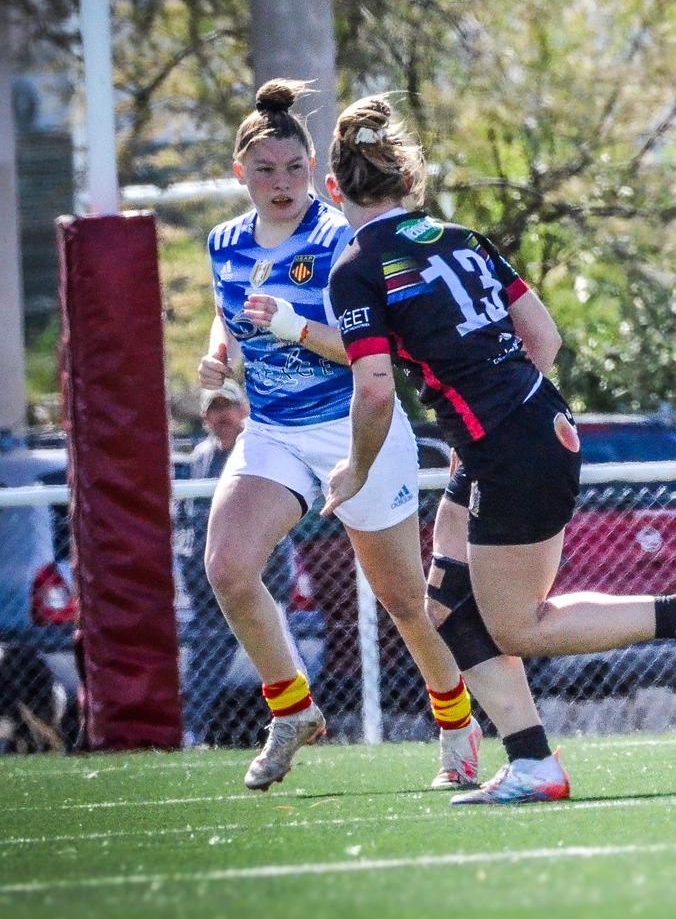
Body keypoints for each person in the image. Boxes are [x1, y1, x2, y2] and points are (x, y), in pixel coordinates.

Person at [322, 94, 676, 804]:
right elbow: (543, 341)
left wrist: (359, 467)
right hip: (526, 424)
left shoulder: (357, 267)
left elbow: (373, 391)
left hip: (506, 443)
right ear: (409, 181)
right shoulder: (464, 239)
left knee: (517, 626)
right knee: (448, 608)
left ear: (335, 190)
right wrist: (490, 425)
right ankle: (532, 762)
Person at [200, 81, 496, 792]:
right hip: (273, 431)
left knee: (402, 600)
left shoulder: (342, 240)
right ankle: (292, 709)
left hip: (357, 428)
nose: (281, 184)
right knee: (228, 567)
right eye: (265, 171)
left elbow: (378, 355)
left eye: (294, 169)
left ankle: (456, 721)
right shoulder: (224, 243)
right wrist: (219, 357)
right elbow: (229, 311)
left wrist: (291, 328)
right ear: (241, 175)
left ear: (314, 171)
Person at [174, 382, 292, 744]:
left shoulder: (257, 451)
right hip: (212, 587)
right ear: (205, 416)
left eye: (228, 407)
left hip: (264, 578)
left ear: (244, 411)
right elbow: (186, 524)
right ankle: (191, 733)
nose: (221, 416)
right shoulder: (198, 460)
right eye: (215, 408)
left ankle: (303, 717)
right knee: (205, 664)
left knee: (283, 652)